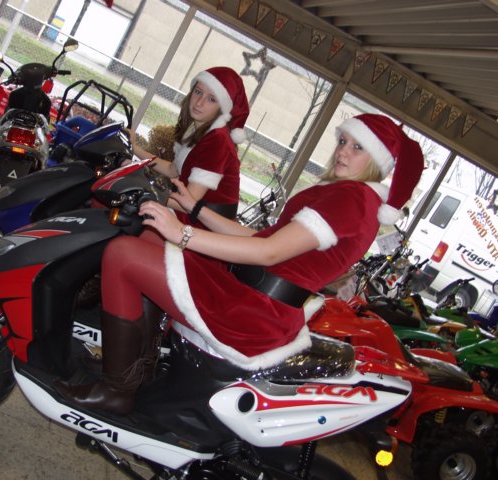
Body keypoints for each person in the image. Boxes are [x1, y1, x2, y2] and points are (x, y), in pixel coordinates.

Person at [54, 113, 425, 415]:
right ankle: (138, 366)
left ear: (377, 161)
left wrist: (181, 233)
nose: (343, 151)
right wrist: (194, 209)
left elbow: (269, 253)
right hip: (254, 299)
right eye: (343, 141)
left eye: (357, 147)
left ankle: (116, 390)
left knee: (122, 254)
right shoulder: (349, 195)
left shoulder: (352, 199)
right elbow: (261, 238)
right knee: (148, 238)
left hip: (254, 311)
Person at [131, 66, 250, 227]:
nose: (199, 102)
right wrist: (134, 148)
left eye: (212, 99)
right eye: (198, 92)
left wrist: (140, 187)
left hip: (203, 229)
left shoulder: (218, 140)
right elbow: (172, 170)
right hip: (186, 219)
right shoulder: (197, 129)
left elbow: (187, 202)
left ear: (222, 108)